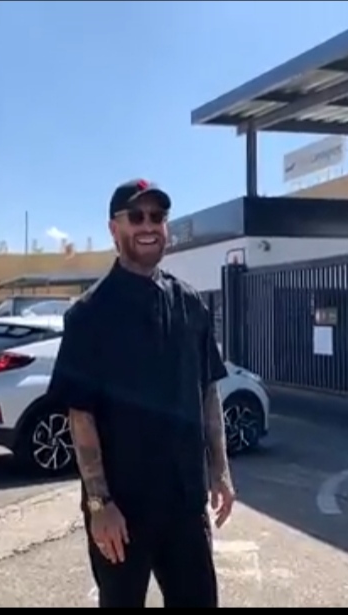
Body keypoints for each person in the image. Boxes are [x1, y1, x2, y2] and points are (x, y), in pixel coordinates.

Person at [47, 179, 235, 608]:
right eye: (136, 217)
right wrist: (100, 504)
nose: (148, 225)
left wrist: (220, 471)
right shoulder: (90, 315)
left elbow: (208, 392)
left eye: (157, 216)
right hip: (122, 512)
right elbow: (81, 415)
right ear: (114, 229)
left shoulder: (190, 304)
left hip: (184, 504)